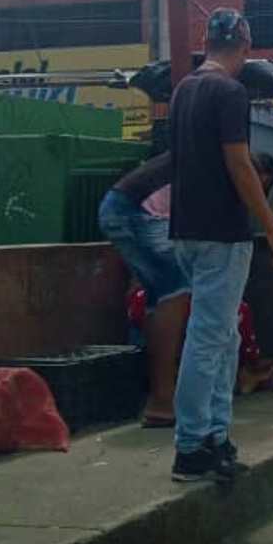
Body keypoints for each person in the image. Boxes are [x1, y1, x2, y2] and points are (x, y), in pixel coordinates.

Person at [169, 8, 273, 482]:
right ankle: (190, 447)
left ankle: (216, 437)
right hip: (222, 233)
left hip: (186, 230)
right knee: (209, 339)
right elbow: (241, 166)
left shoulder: (184, 90)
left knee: (223, 337)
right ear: (244, 48)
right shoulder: (229, 91)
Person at [98, 152, 189, 428]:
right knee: (176, 291)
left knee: (159, 297)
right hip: (141, 212)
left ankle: (159, 395)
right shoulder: (220, 153)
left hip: (122, 207)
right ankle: (162, 398)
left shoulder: (190, 144)